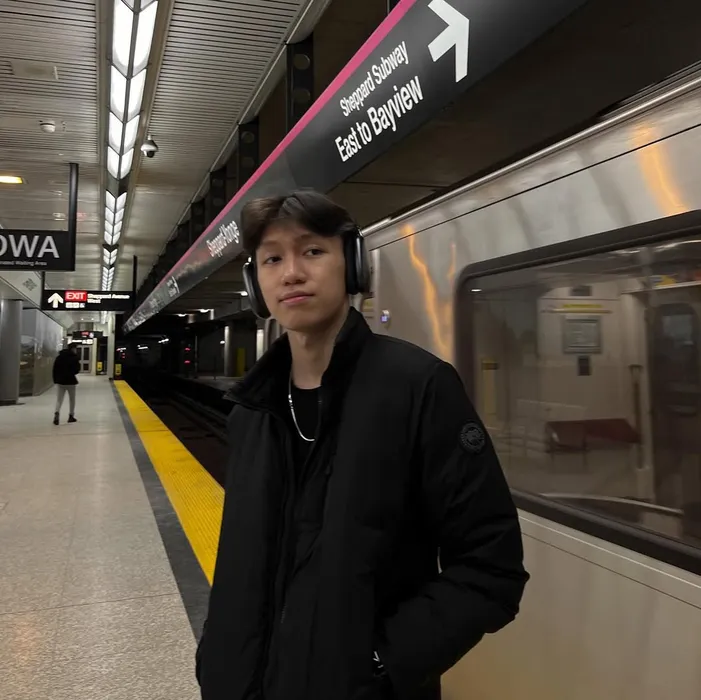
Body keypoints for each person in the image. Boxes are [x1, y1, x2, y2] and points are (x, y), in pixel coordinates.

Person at [196, 190, 529, 700]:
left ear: (352, 264)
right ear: (255, 284)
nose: (291, 273)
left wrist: (378, 664)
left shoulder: (418, 389)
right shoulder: (252, 412)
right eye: (272, 259)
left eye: (312, 251)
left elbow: (491, 567)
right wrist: (218, 658)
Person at [52, 344, 80, 425]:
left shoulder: (59, 357)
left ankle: (57, 413)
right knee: (72, 399)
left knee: (59, 399)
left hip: (60, 381)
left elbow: (54, 369)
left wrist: (55, 380)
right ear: (73, 349)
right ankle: (71, 416)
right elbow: (77, 370)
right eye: (75, 349)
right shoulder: (74, 357)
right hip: (71, 381)